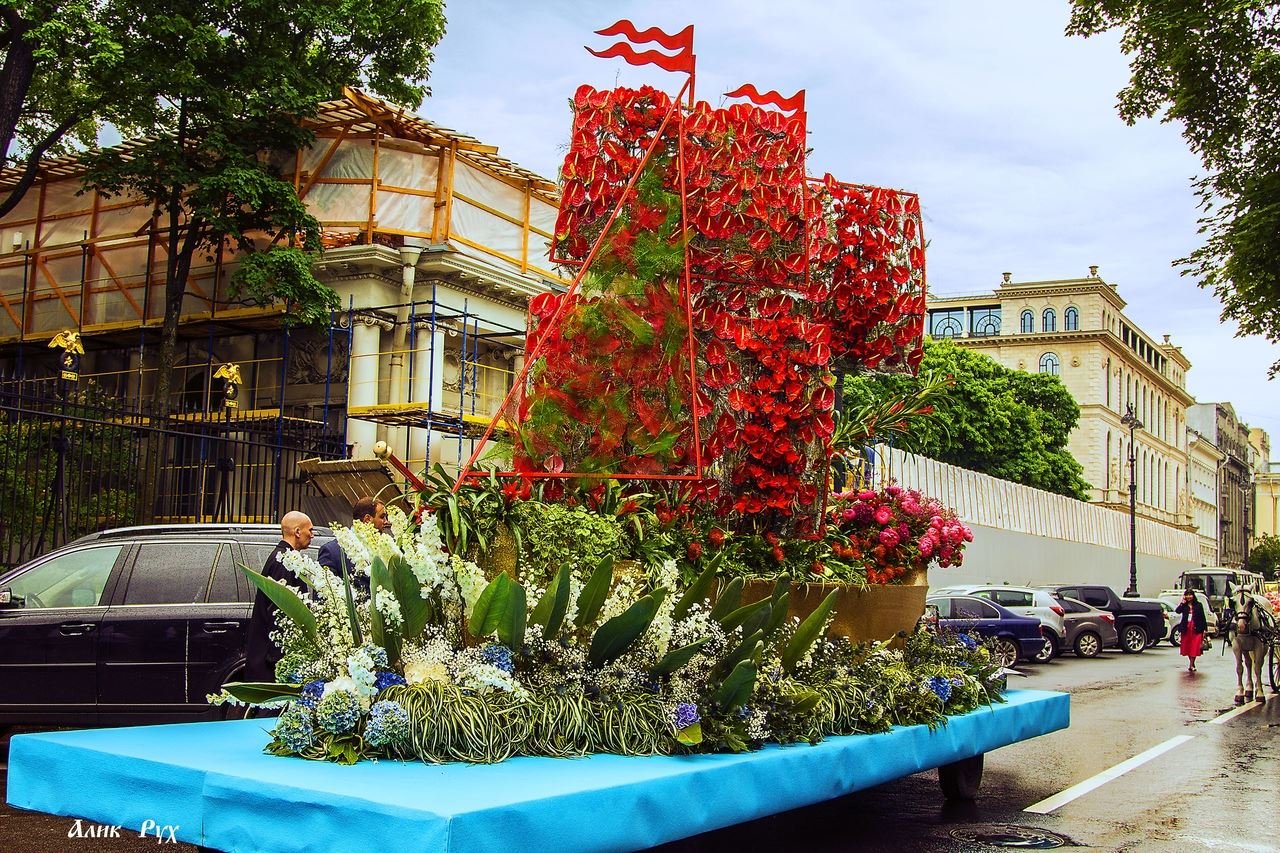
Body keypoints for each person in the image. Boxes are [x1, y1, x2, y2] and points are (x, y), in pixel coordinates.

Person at [244, 511, 315, 683]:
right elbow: (278, 610)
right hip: (272, 657)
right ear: (297, 532)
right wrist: (279, 656)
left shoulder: (282, 557)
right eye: (310, 530)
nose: (312, 535)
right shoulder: (283, 562)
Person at [317, 497, 388, 591]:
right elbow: (326, 594)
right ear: (367, 519)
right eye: (382, 517)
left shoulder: (384, 549)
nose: (386, 521)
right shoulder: (332, 552)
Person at [1175, 589, 1208, 673]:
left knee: (1195, 646)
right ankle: (1191, 663)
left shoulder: (1198, 605)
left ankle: (1192, 664)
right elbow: (1177, 611)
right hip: (1186, 628)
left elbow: (1202, 617)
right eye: (1187, 595)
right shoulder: (1184, 606)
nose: (1189, 597)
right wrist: (1182, 603)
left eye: (1190, 595)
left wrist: (1205, 629)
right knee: (1188, 646)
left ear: (1193, 596)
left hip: (1196, 628)